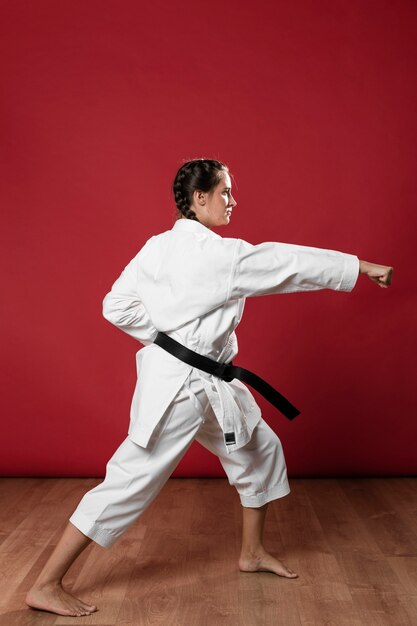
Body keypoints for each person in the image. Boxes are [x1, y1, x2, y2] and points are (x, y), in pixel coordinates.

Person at [26, 158, 393, 617]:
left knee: (260, 451)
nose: (232, 201)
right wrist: (357, 266)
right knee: (128, 482)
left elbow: (115, 306)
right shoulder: (220, 256)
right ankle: (46, 583)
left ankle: (252, 554)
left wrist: (165, 336)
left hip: (212, 383)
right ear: (200, 198)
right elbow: (286, 263)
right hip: (181, 389)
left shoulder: (156, 247)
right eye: (225, 192)